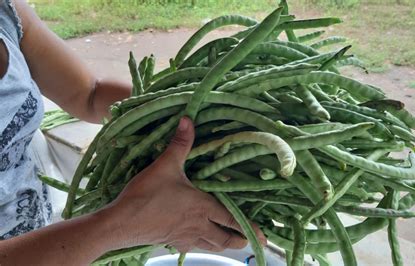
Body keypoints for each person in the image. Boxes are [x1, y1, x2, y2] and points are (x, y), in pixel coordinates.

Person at [0, 0, 265, 264]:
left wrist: (189, 111)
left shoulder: (6, 12)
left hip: (53, 242)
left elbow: (88, 94)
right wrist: (121, 225)